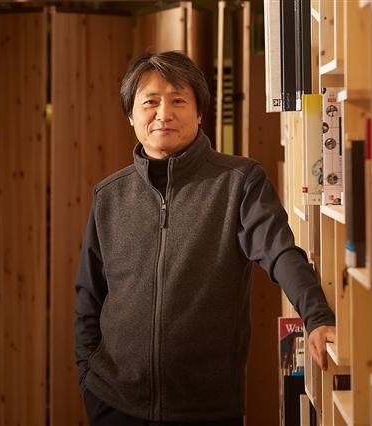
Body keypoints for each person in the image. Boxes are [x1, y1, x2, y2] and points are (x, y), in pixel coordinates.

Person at [74, 50, 336, 426]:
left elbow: (279, 252)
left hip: (207, 408)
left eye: (178, 100)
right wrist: (88, 378)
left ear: (200, 112)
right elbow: (89, 295)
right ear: (131, 114)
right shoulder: (109, 196)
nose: (164, 113)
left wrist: (317, 316)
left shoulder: (238, 182)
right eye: (150, 101)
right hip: (115, 403)